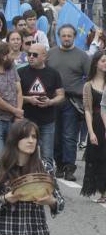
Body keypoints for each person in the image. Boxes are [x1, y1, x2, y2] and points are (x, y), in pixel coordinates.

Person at [47, 24, 90, 181]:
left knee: (69, 136)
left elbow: (90, 78)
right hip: (52, 101)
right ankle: (59, 165)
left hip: (72, 101)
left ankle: (69, 167)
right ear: (59, 36)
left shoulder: (82, 56)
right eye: (63, 35)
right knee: (55, 136)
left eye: (69, 36)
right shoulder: (50, 54)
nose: (66, 38)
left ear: (74, 37)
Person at [18, 44, 64, 166]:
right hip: (26, 120)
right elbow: (14, 96)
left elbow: (61, 95)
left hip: (47, 120)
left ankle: (47, 177)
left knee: (47, 156)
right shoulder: (20, 72)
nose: (31, 57)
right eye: (29, 54)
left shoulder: (53, 73)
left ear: (44, 56)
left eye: (35, 55)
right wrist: (28, 99)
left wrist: (50, 102)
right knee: (25, 154)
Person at [83, 51, 106, 201]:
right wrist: (91, 132)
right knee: (99, 157)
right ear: (96, 63)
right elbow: (88, 110)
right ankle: (102, 190)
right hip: (97, 124)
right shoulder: (88, 85)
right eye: (103, 60)